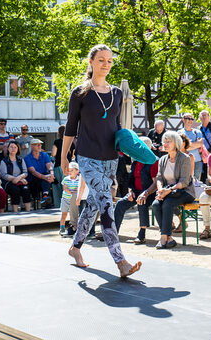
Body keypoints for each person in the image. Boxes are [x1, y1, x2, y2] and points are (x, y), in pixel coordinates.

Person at [62, 43, 141, 277]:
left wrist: (128, 147)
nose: (106, 64)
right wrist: (63, 157)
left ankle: (75, 248)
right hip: (87, 157)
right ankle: (120, 261)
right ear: (91, 62)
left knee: (95, 205)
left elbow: (117, 128)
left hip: (110, 159)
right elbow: (70, 126)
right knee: (107, 204)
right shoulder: (80, 92)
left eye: (109, 61)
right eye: (101, 60)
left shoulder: (117, 92)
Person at [151, 131, 196, 249]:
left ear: (176, 143)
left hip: (184, 191)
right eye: (164, 141)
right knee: (155, 204)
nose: (165, 144)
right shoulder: (163, 159)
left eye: (168, 141)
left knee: (168, 203)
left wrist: (168, 191)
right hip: (167, 192)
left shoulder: (184, 158)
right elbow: (159, 178)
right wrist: (161, 190)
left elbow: (184, 181)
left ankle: (163, 237)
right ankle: (168, 237)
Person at [113, 136, 158, 244]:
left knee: (141, 202)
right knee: (120, 204)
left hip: (150, 192)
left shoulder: (153, 161)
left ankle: (142, 234)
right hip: (136, 191)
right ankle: (113, 233)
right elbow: (131, 180)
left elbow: (156, 183)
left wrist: (145, 193)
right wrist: (130, 191)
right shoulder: (136, 161)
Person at [0, 140, 32, 212]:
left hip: (20, 181)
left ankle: (28, 211)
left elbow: (25, 172)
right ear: (8, 149)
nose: (13, 149)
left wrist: (19, 178)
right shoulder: (4, 161)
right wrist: (16, 179)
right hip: (9, 182)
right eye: (11, 147)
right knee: (15, 190)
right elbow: (4, 175)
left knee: (26, 189)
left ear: (17, 149)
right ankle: (15, 211)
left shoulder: (21, 160)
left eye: (15, 147)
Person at [51, 125, 75, 211]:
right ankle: (68, 208)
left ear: (58, 133)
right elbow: (73, 156)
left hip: (58, 166)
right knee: (68, 188)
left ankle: (58, 208)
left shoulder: (57, 142)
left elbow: (53, 153)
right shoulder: (71, 143)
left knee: (57, 188)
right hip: (69, 168)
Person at [24, 139, 54, 207]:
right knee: (45, 179)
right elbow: (33, 172)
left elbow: (49, 167)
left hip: (45, 178)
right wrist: (45, 177)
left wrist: (52, 174)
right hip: (34, 179)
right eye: (37, 145)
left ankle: (45, 196)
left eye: (40, 145)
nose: (39, 146)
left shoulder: (45, 155)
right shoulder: (27, 157)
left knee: (48, 177)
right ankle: (45, 197)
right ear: (31, 146)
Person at [178, 113, 204, 180]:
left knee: (196, 183)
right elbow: (180, 147)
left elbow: (200, 144)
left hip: (197, 161)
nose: (190, 120)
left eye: (191, 119)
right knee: (185, 181)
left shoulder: (197, 132)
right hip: (184, 161)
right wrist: (195, 144)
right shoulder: (179, 133)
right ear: (183, 120)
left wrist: (186, 145)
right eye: (188, 118)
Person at [59, 162, 80, 236]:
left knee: (73, 213)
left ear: (77, 171)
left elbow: (79, 188)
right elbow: (65, 188)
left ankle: (74, 227)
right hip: (66, 199)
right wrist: (72, 193)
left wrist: (74, 194)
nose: (70, 172)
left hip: (74, 200)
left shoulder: (79, 179)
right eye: (69, 170)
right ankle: (62, 227)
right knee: (64, 213)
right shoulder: (66, 179)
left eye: (72, 170)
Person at [199, 110, 211, 183]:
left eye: (206, 115)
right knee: (202, 175)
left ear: (209, 117)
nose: (204, 117)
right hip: (201, 156)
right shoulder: (197, 130)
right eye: (202, 115)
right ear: (200, 118)